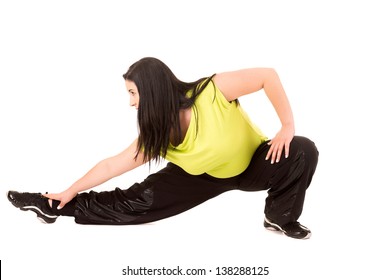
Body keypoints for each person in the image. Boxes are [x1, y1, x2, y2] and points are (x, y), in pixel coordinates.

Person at [7, 57, 318, 239]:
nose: (131, 103)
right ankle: (51, 208)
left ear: (153, 90)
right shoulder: (156, 134)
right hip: (199, 177)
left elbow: (267, 76)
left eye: (133, 93)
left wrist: (287, 125)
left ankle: (279, 217)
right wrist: (69, 190)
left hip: (254, 163)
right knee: (133, 204)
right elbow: (112, 165)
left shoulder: (212, 91)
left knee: (302, 149)